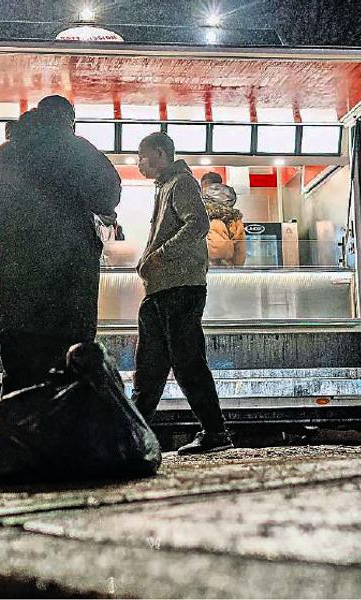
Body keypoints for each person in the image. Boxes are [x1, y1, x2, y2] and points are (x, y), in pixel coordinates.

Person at [0, 95, 121, 395]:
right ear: (70, 121)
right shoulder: (82, 153)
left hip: (17, 302)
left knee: (19, 390)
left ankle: (16, 440)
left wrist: (20, 218)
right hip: (71, 300)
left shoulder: (7, 153)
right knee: (70, 392)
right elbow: (109, 196)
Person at [132, 132, 233, 455]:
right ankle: (134, 435)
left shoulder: (182, 183)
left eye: (142, 157)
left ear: (160, 154)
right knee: (150, 366)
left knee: (186, 360)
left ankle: (215, 432)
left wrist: (160, 255)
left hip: (180, 287)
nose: (138, 164)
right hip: (161, 289)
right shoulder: (166, 186)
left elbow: (197, 225)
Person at [200, 172, 246, 267]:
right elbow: (240, 251)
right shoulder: (233, 215)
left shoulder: (197, 208)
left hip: (202, 266)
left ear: (204, 184)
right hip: (225, 267)